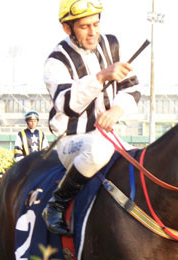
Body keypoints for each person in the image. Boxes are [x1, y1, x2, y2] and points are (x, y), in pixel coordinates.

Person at [42, 0, 140, 234]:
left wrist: (116, 111)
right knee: (99, 150)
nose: (93, 32)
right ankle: (56, 204)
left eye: (96, 24)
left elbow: (132, 88)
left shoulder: (111, 44)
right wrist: (100, 77)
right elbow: (66, 105)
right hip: (72, 142)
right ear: (68, 29)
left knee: (141, 160)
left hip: (109, 136)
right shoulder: (56, 60)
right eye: (84, 27)